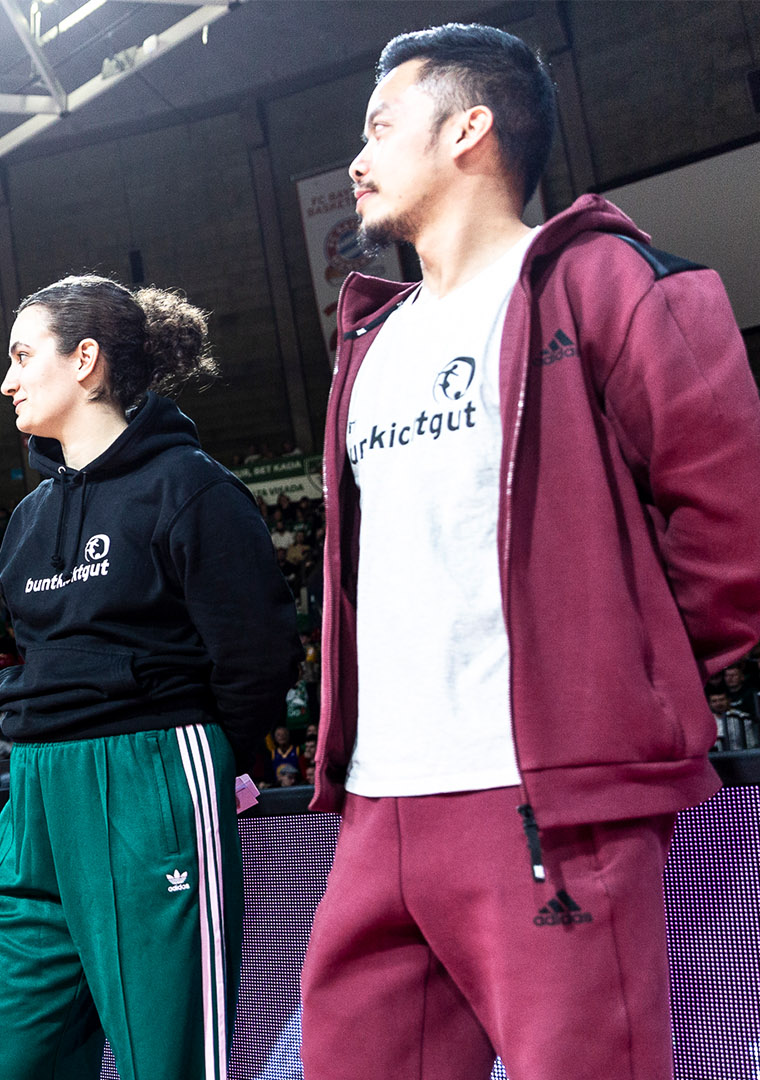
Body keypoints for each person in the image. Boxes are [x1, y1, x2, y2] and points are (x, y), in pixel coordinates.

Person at [301, 25, 760, 1080]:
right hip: (378, 807)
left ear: (471, 128)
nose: (357, 160)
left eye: (379, 126)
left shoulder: (607, 281)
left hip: (546, 802)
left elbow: (733, 533)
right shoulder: (369, 339)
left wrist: (615, 695)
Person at [0, 274, 301, 1080]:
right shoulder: (26, 520)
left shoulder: (191, 487)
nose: (6, 380)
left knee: (169, 1061)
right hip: (38, 788)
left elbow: (256, 657)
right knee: (3, 1057)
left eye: (20, 356)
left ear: (86, 360)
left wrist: (212, 770)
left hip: (151, 776)